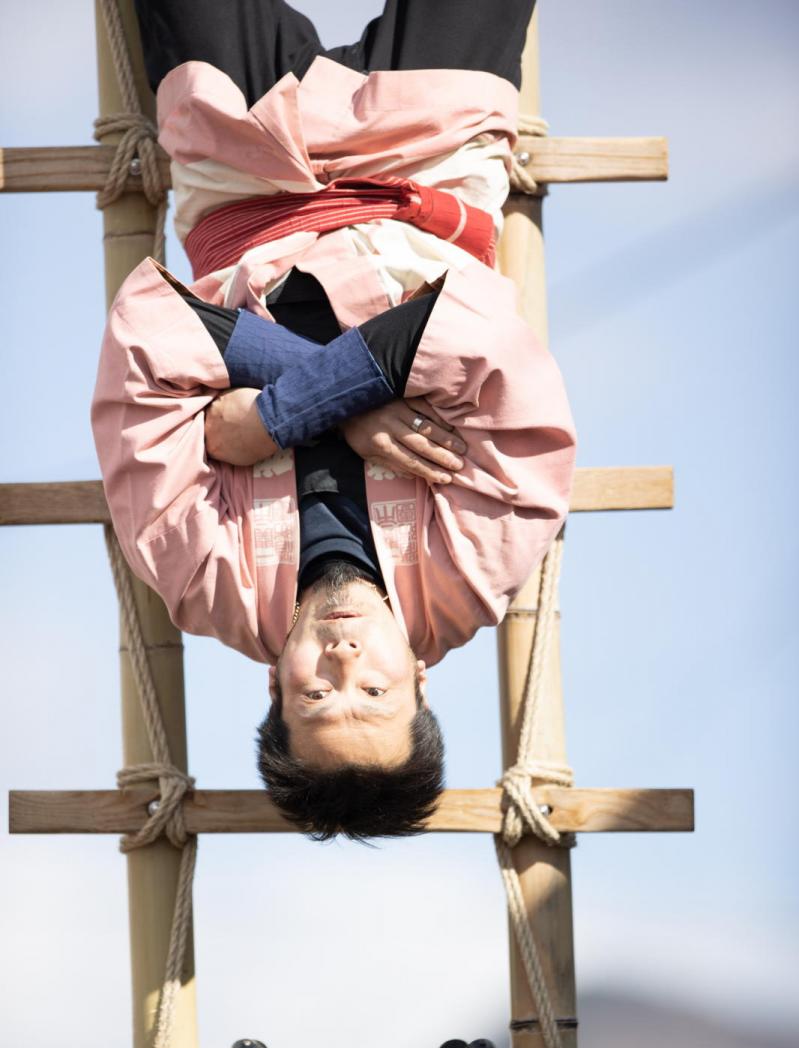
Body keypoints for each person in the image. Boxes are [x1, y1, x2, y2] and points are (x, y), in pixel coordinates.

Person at [92, 0, 576, 839]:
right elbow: (477, 330)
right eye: (375, 692)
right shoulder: (488, 556)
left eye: (317, 694)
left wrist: (297, 408)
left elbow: (151, 333)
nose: (344, 660)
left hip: (238, 153)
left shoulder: (198, 575)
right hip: (433, 143)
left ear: (273, 687)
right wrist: (300, 413)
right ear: (419, 682)